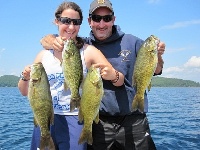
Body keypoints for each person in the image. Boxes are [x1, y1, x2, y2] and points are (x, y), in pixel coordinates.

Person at [40, 0, 166, 149]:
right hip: (99, 122)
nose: (101, 24)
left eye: (106, 18)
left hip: (134, 121)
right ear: (89, 21)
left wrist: (158, 56)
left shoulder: (132, 41)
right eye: (96, 18)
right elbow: (58, 39)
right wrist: (50, 39)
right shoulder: (85, 45)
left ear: (113, 19)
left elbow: (156, 70)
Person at [18, 1, 118, 150]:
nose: (71, 27)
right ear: (57, 21)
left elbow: (115, 78)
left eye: (76, 22)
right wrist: (25, 76)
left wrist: (113, 75)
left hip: (75, 119)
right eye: (66, 21)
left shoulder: (88, 51)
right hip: (45, 118)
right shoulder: (43, 55)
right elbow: (24, 91)